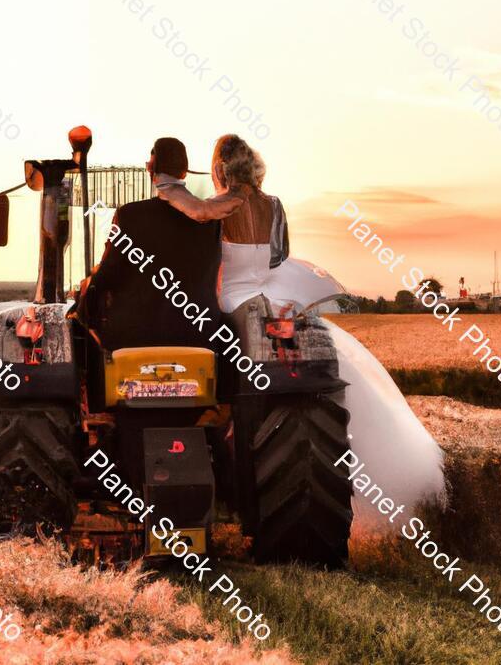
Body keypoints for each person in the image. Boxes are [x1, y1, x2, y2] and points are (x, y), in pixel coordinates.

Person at [157, 134, 446, 530]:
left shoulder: (227, 204)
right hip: (263, 292)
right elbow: (278, 255)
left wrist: (168, 188)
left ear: (221, 168)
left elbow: (199, 214)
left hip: (231, 298)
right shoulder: (273, 205)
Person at [77, 137, 224, 350]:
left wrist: (87, 294)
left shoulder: (129, 215)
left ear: (151, 170)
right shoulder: (211, 221)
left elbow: (108, 275)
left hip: (135, 339)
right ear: (184, 173)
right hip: (198, 338)